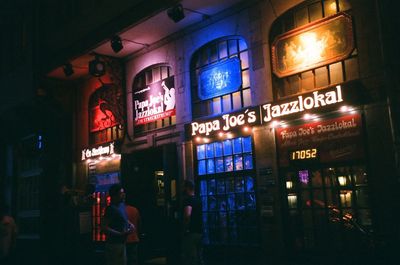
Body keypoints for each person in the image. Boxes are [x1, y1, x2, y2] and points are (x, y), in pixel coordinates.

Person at [102, 184, 134, 265]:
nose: (124, 195)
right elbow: (104, 227)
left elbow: (123, 219)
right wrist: (120, 234)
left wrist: (130, 224)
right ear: (114, 195)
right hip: (114, 245)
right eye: (121, 193)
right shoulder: (110, 209)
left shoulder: (121, 206)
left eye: (124, 193)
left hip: (122, 243)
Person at [182, 180, 203, 265]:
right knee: (199, 257)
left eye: (183, 187)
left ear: (187, 188)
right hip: (200, 231)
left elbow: (187, 215)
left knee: (191, 258)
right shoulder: (198, 200)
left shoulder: (188, 200)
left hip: (191, 232)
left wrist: (185, 229)